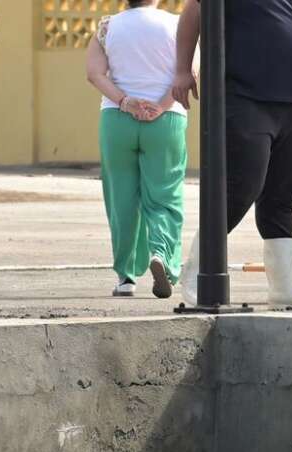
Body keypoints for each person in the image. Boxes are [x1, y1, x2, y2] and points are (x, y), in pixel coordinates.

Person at [171, 0, 292, 311]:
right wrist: (182, 70)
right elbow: (194, 10)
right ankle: (199, 271)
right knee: (241, 187)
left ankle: (285, 288)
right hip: (243, 99)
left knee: (282, 196)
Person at [87, 0, 188, 300]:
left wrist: (125, 101)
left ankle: (126, 278)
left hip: (117, 120)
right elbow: (189, 72)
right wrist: (162, 106)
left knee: (121, 198)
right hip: (166, 120)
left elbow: (94, 73)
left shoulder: (107, 26)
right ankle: (161, 254)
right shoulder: (179, 24)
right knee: (165, 195)